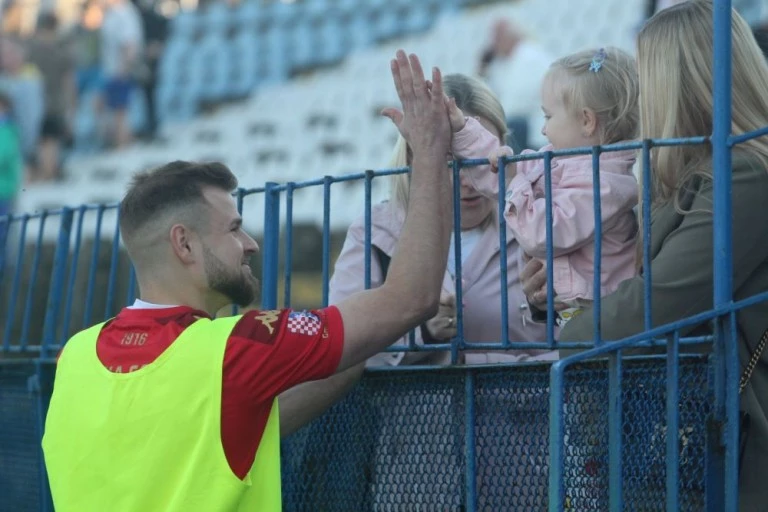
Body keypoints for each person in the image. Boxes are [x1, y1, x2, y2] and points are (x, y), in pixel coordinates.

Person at [41, 50, 455, 512]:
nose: (251, 245)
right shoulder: (235, 349)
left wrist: (360, 349)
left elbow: (231, 430)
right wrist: (432, 152)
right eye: (234, 228)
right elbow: (411, 297)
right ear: (185, 244)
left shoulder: (73, 357)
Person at [521, 2, 768, 509]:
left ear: (679, 82)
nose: (639, 98)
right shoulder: (679, 171)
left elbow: (661, 301)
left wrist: (572, 333)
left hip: (734, 437)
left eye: (647, 78)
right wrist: (556, 298)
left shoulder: (746, 173)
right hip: (681, 432)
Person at [324, 73, 555, 509]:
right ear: (416, 155)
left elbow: (588, 340)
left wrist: (549, 314)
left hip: (524, 470)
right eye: (451, 158)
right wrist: (415, 334)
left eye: (478, 155)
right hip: (416, 471)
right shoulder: (376, 230)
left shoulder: (545, 226)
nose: (469, 179)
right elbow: (340, 345)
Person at [463, 46, 640, 327]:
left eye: (548, 117)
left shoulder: (606, 186)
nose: (543, 129)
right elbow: (496, 178)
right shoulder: (558, 161)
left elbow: (542, 233)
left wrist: (513, 180)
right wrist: (463, 131)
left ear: (586, 121)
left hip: (606, 322)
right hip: (576, 318)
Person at [25, 12, 75, 181]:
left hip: (34, 103)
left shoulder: (30, 51)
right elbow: (69, 83)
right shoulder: (60, 51)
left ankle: (44, 177)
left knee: (40, 143)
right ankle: (48, 177)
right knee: (50, 142)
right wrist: (71, 106)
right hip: (55, 104)